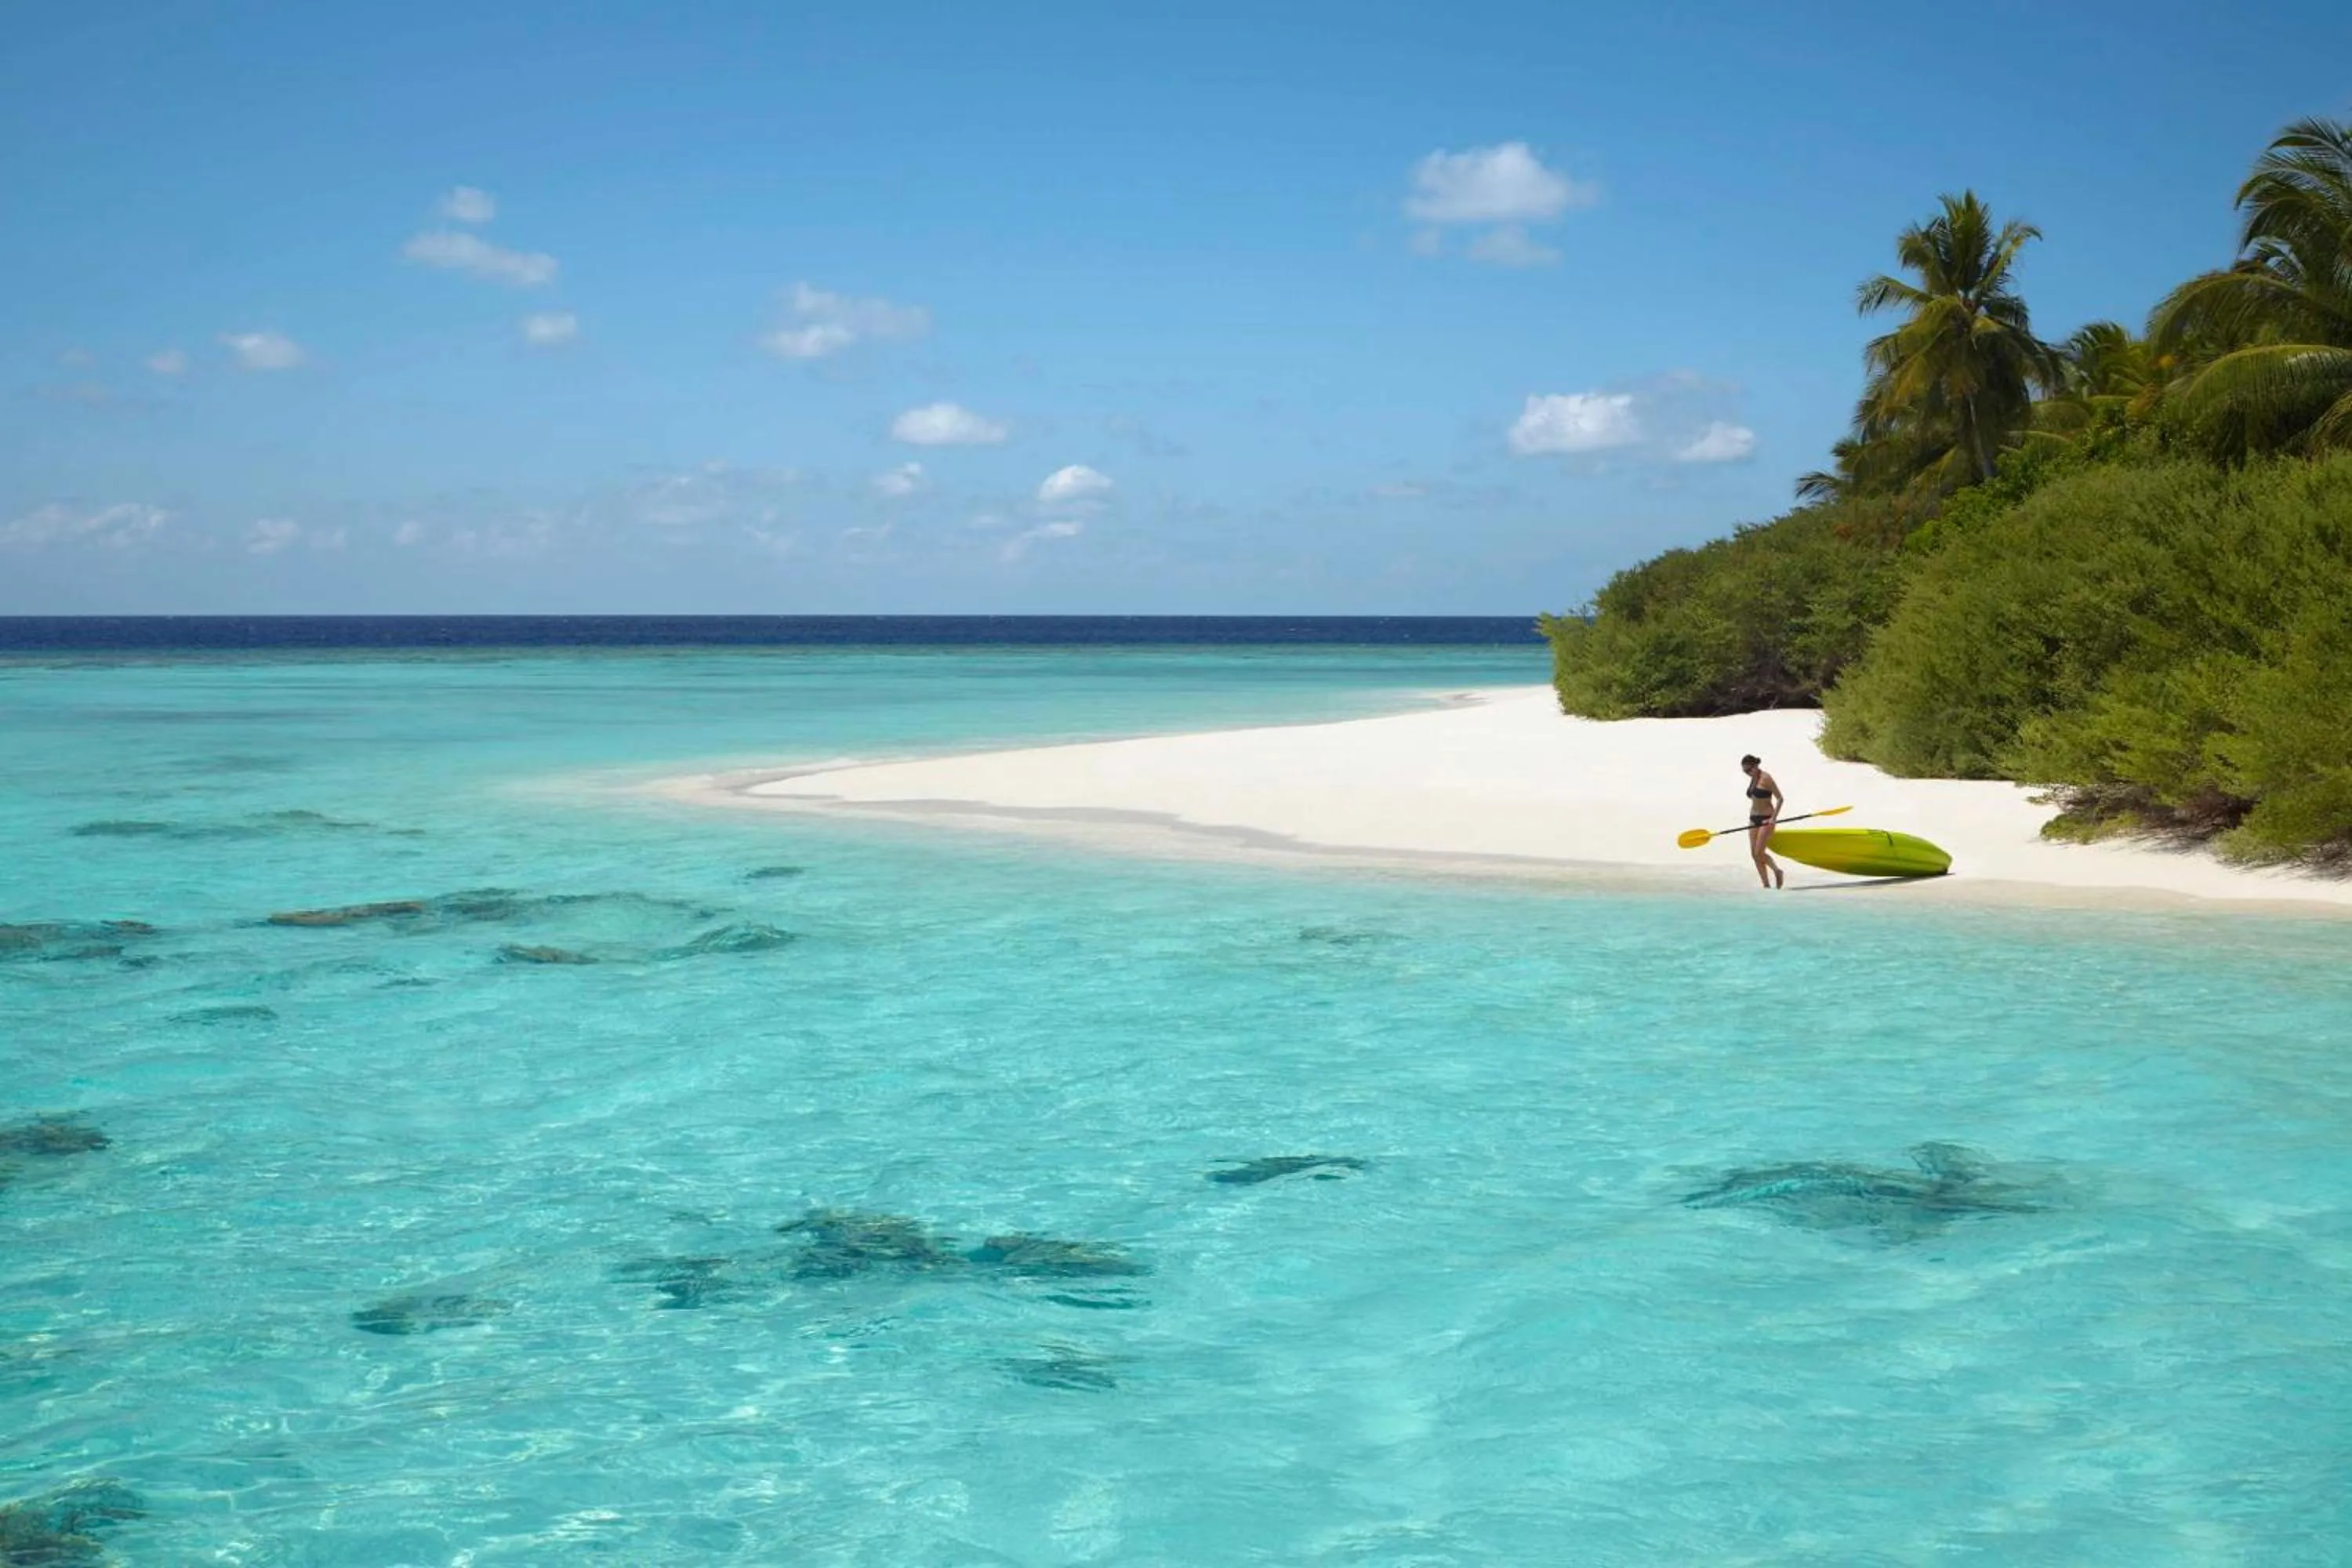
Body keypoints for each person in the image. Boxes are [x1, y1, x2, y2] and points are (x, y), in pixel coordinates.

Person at [1740, 753, 1784, 890]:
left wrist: (1773, 818)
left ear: (1756, 766)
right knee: (1754, 854)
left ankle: (1777, 871)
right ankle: (1766, 885)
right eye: (1744, 771)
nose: (1747, 773)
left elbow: (1780, 799)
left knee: (1759, 852)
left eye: (1748, 770)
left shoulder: (1766, 778)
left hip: (1767, 819)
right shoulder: (1753, 778)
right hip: (1753, 819)